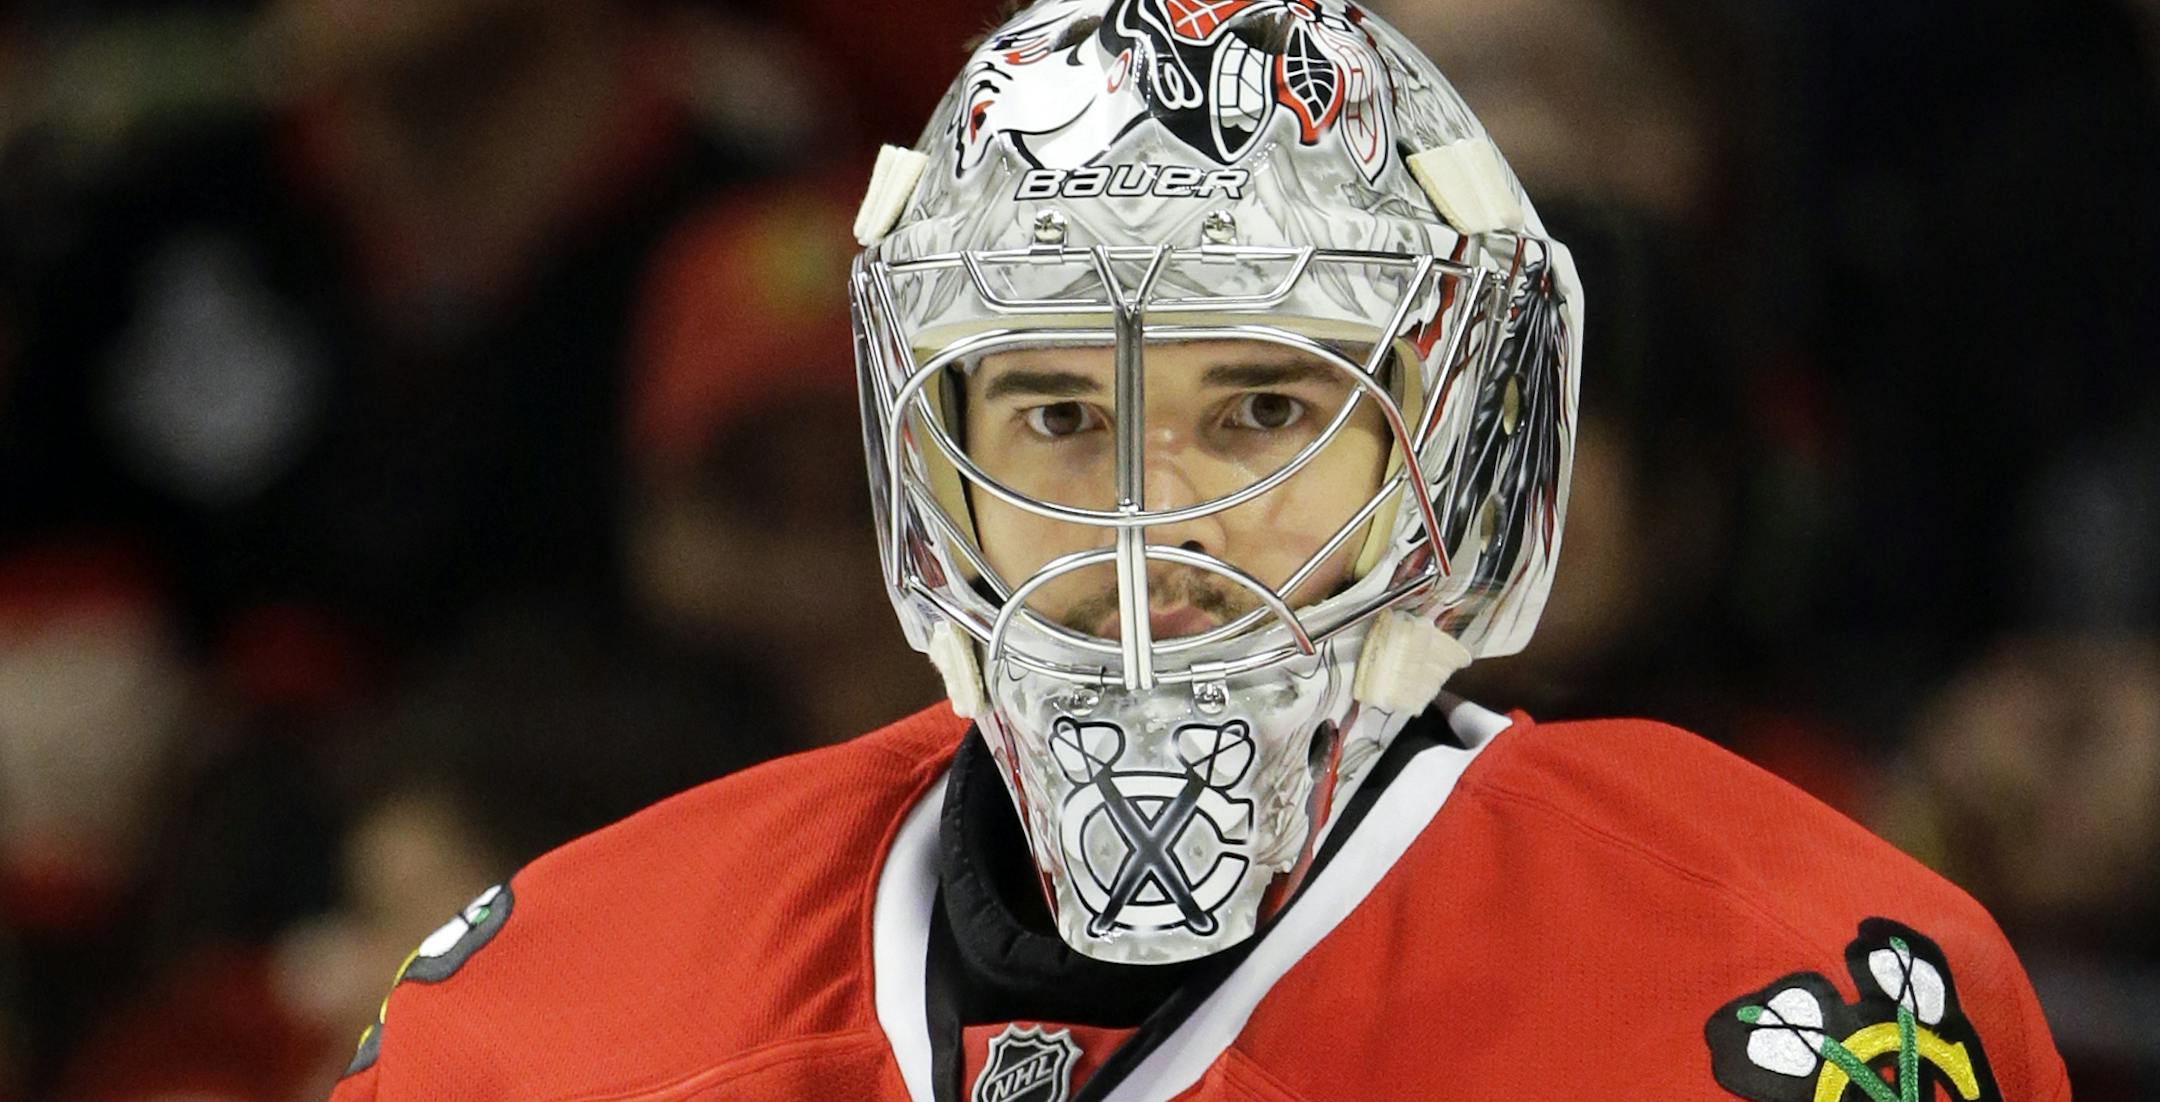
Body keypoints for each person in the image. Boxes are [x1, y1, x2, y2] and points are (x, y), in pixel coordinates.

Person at [328, 3, 2070, 1100]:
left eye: (1260, 412)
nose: (1156, 529)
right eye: (1063, 418)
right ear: (932, 463)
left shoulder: (1796, 987)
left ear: (1443, 445)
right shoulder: (545, 1009)